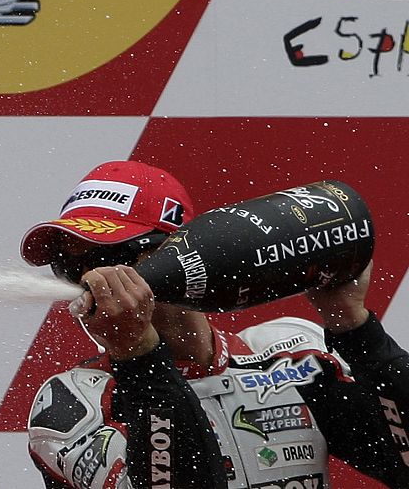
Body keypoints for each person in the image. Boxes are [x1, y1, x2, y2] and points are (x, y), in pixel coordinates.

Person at [20, 160, 409, 489]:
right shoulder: (72, 404)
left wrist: (354, 326)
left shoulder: (291, 351)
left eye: (110, 255)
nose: (92, 277)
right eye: (70, 265)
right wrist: (138, 356)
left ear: (182, 247)